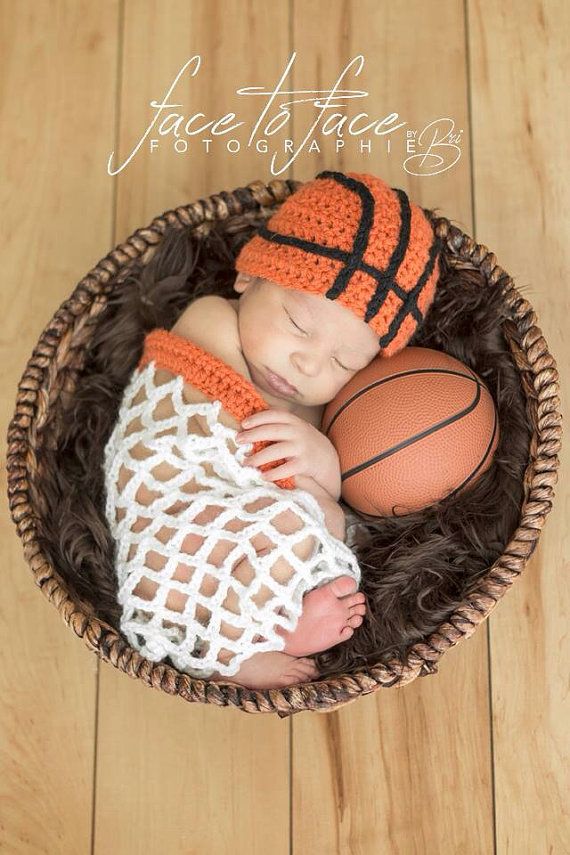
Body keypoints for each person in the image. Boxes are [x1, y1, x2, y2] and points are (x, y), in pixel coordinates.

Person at [103, 169, 443, 690]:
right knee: (300, 520)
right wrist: (314, 477)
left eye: (345, 361)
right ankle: (235, 651)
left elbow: (309, 489)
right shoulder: (212, 318)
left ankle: (264, 628)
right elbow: (221, 436)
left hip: (233, 534)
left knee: (319, 529)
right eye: (298, 325)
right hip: (172, 496)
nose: (308, 364)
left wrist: (322, 467)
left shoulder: (319, 410)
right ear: (249, 277)